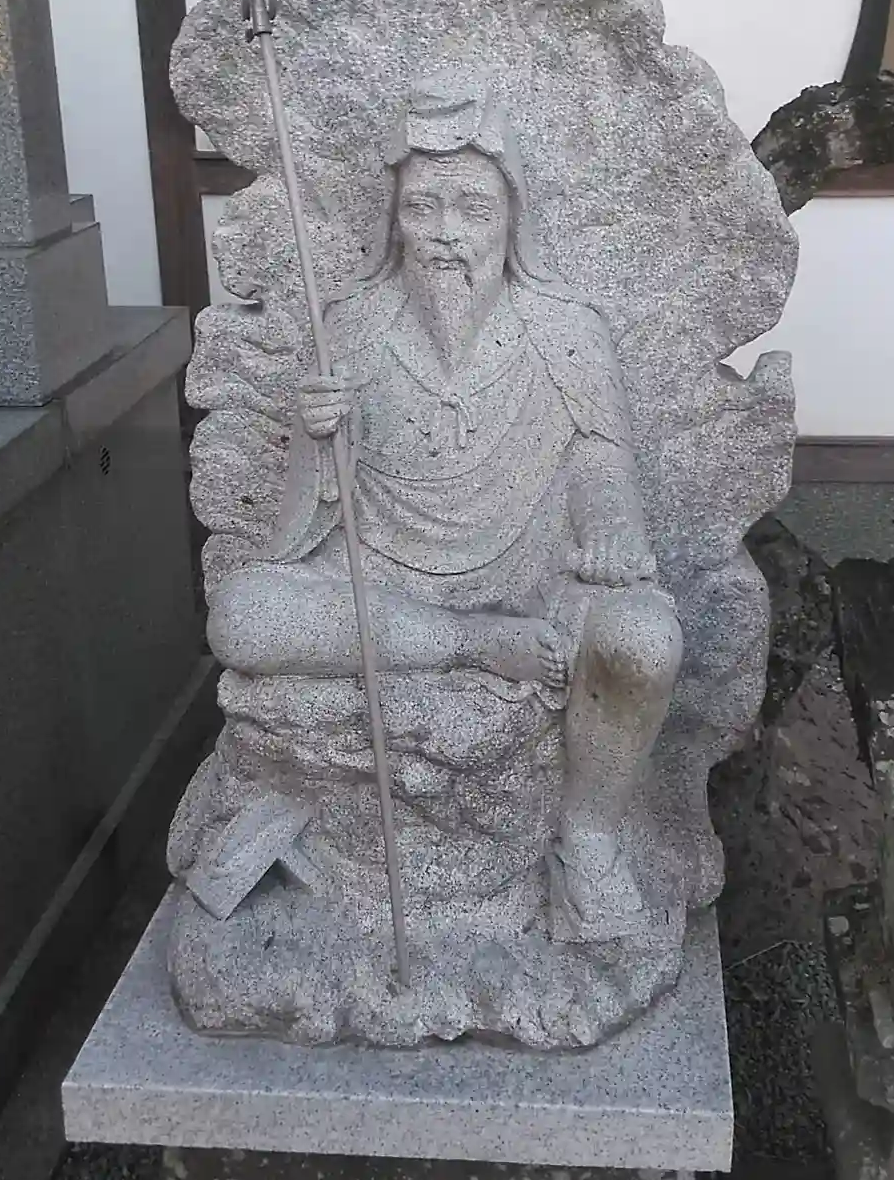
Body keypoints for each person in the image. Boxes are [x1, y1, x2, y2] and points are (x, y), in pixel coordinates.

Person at [207, 78, 681, 937]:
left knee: (644, 641)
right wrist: (317, 439)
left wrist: (612, 528)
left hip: (532, 573)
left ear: (512, 217)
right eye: (422, 208)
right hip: (383, 581)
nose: (446, 233)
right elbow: (298, 533)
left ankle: (588, 836)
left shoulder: (566, 330)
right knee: (243, 615)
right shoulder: (353, 326)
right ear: (394, 222)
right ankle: (472, 645)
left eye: (472, 207)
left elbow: (600, 458)